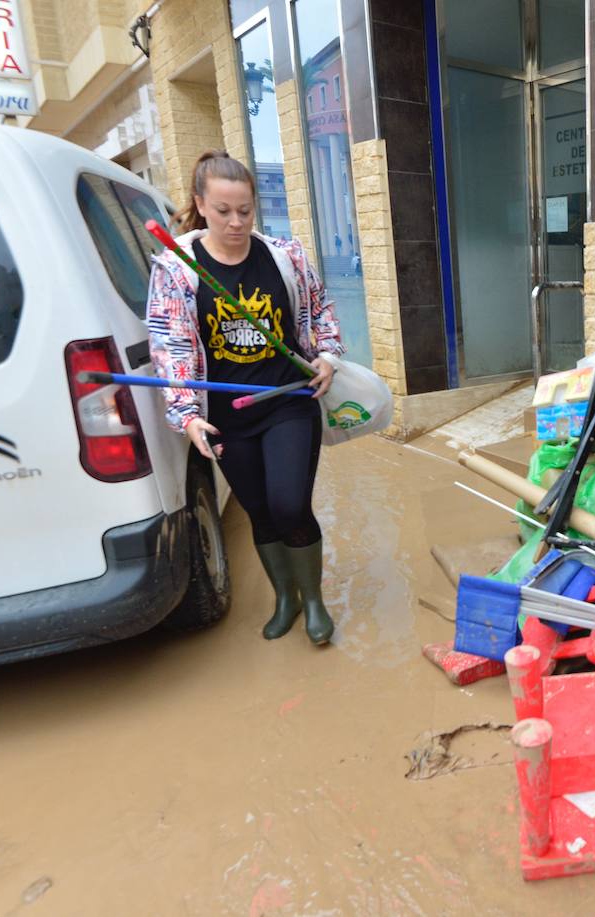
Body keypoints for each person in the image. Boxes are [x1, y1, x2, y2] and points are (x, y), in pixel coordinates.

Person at [146, 150, 343, 645]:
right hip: (227, 415)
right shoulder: (177, 269)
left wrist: (327, 357)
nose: (236, 222)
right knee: (258, 509)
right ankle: (286, 598)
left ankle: (314, 601)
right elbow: (169, 348)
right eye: (223, 211)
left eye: (245, 211)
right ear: (200, 205)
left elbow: (321, 314)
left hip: (287, 401)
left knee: (289, 504)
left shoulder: (286, 257)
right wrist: (188, 416)